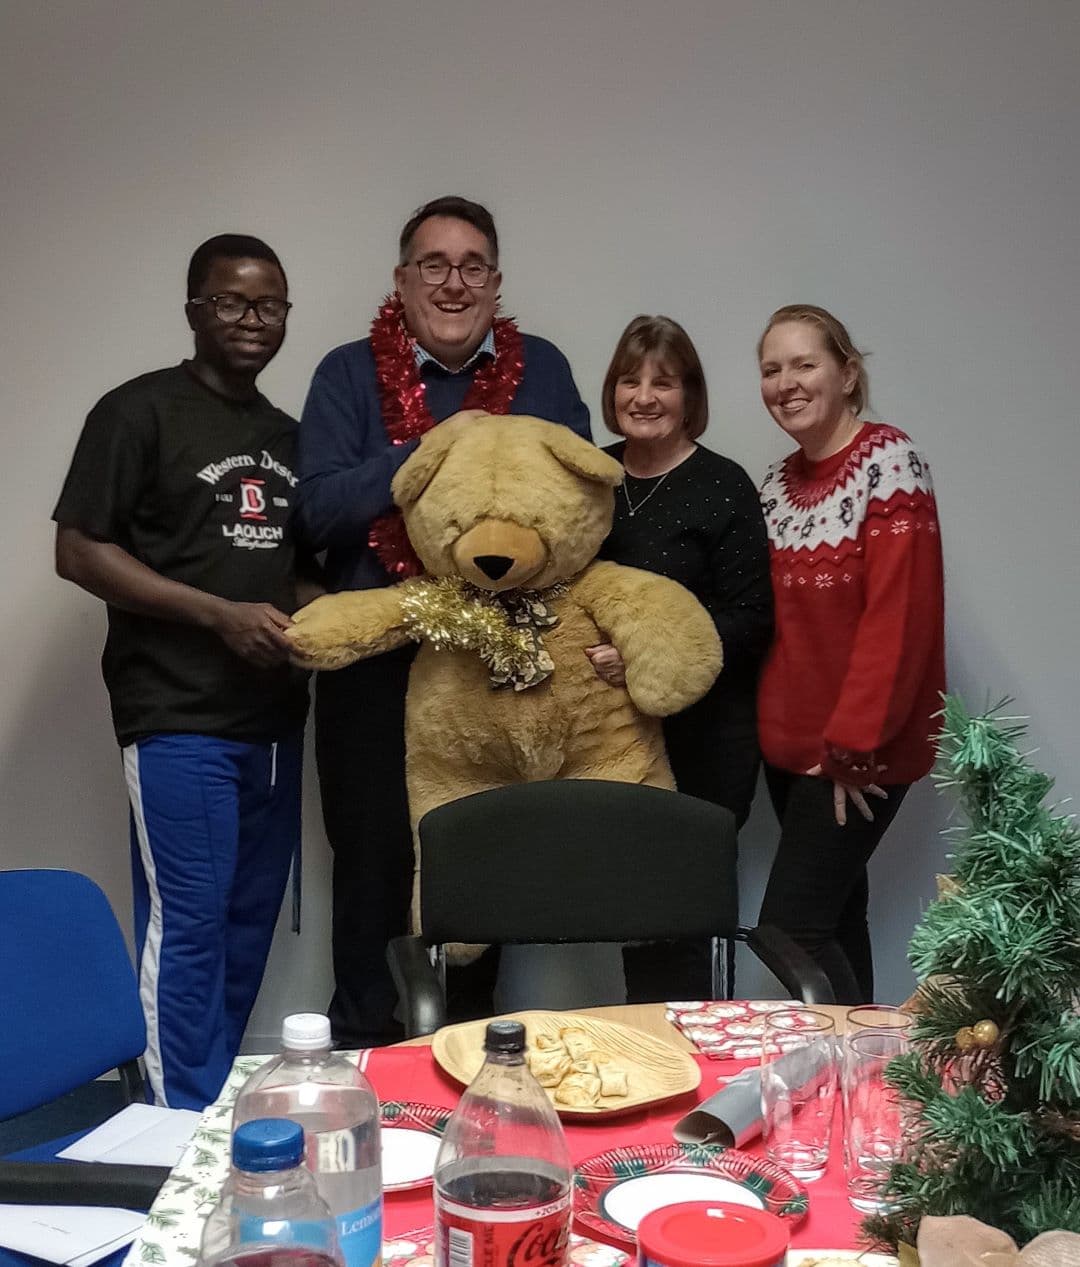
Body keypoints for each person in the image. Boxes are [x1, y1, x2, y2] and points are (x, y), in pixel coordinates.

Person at [294, 195, 591, 1046]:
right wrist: (436, 457)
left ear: (496, 283)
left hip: (490, 663)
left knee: (476, 867)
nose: (453, 283)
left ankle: (475, 1065)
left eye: (471, 266)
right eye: (434, 264)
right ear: (401, 279)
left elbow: (572, 509)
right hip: (376, 668)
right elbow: (315, 512)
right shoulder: (347, 374)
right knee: (374, 867)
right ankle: (366, 1056)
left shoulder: (546, 373)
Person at [53, 235, 315, 1109]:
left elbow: (295, 571)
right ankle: (174, 1130)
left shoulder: (286, 435)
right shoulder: (137, 413)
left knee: (245, 932)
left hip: (274, 725)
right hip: (176, 718)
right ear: (195, 308)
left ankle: (203, 1106)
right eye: (233, 302)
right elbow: (80, 550)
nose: (252, 320)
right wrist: (215, 614)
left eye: (269, 304)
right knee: (192, 926)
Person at [755, 303, 945, 1004]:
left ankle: (868, 1068)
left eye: (804, 364)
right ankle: (859, 1098)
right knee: (835, 918)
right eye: (771, 369)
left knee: (789, 930)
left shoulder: (890, 463)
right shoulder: (774, 485)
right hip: (791, 757)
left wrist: (850, 747)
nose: (786, 383)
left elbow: (900, 619)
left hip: (851, 757)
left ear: (847, 372)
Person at [587, 314, 774, 1001]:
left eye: (662, 382)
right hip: (617, 734)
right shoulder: (594, 476)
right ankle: (648, 1061)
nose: (644, 395)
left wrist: (641, 656)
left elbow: (753, 619)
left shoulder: (723, 483)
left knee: (688, 916)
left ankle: (700, 1071)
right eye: (630, 380)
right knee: (636, 906)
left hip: (707, 737)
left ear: (689, 393)